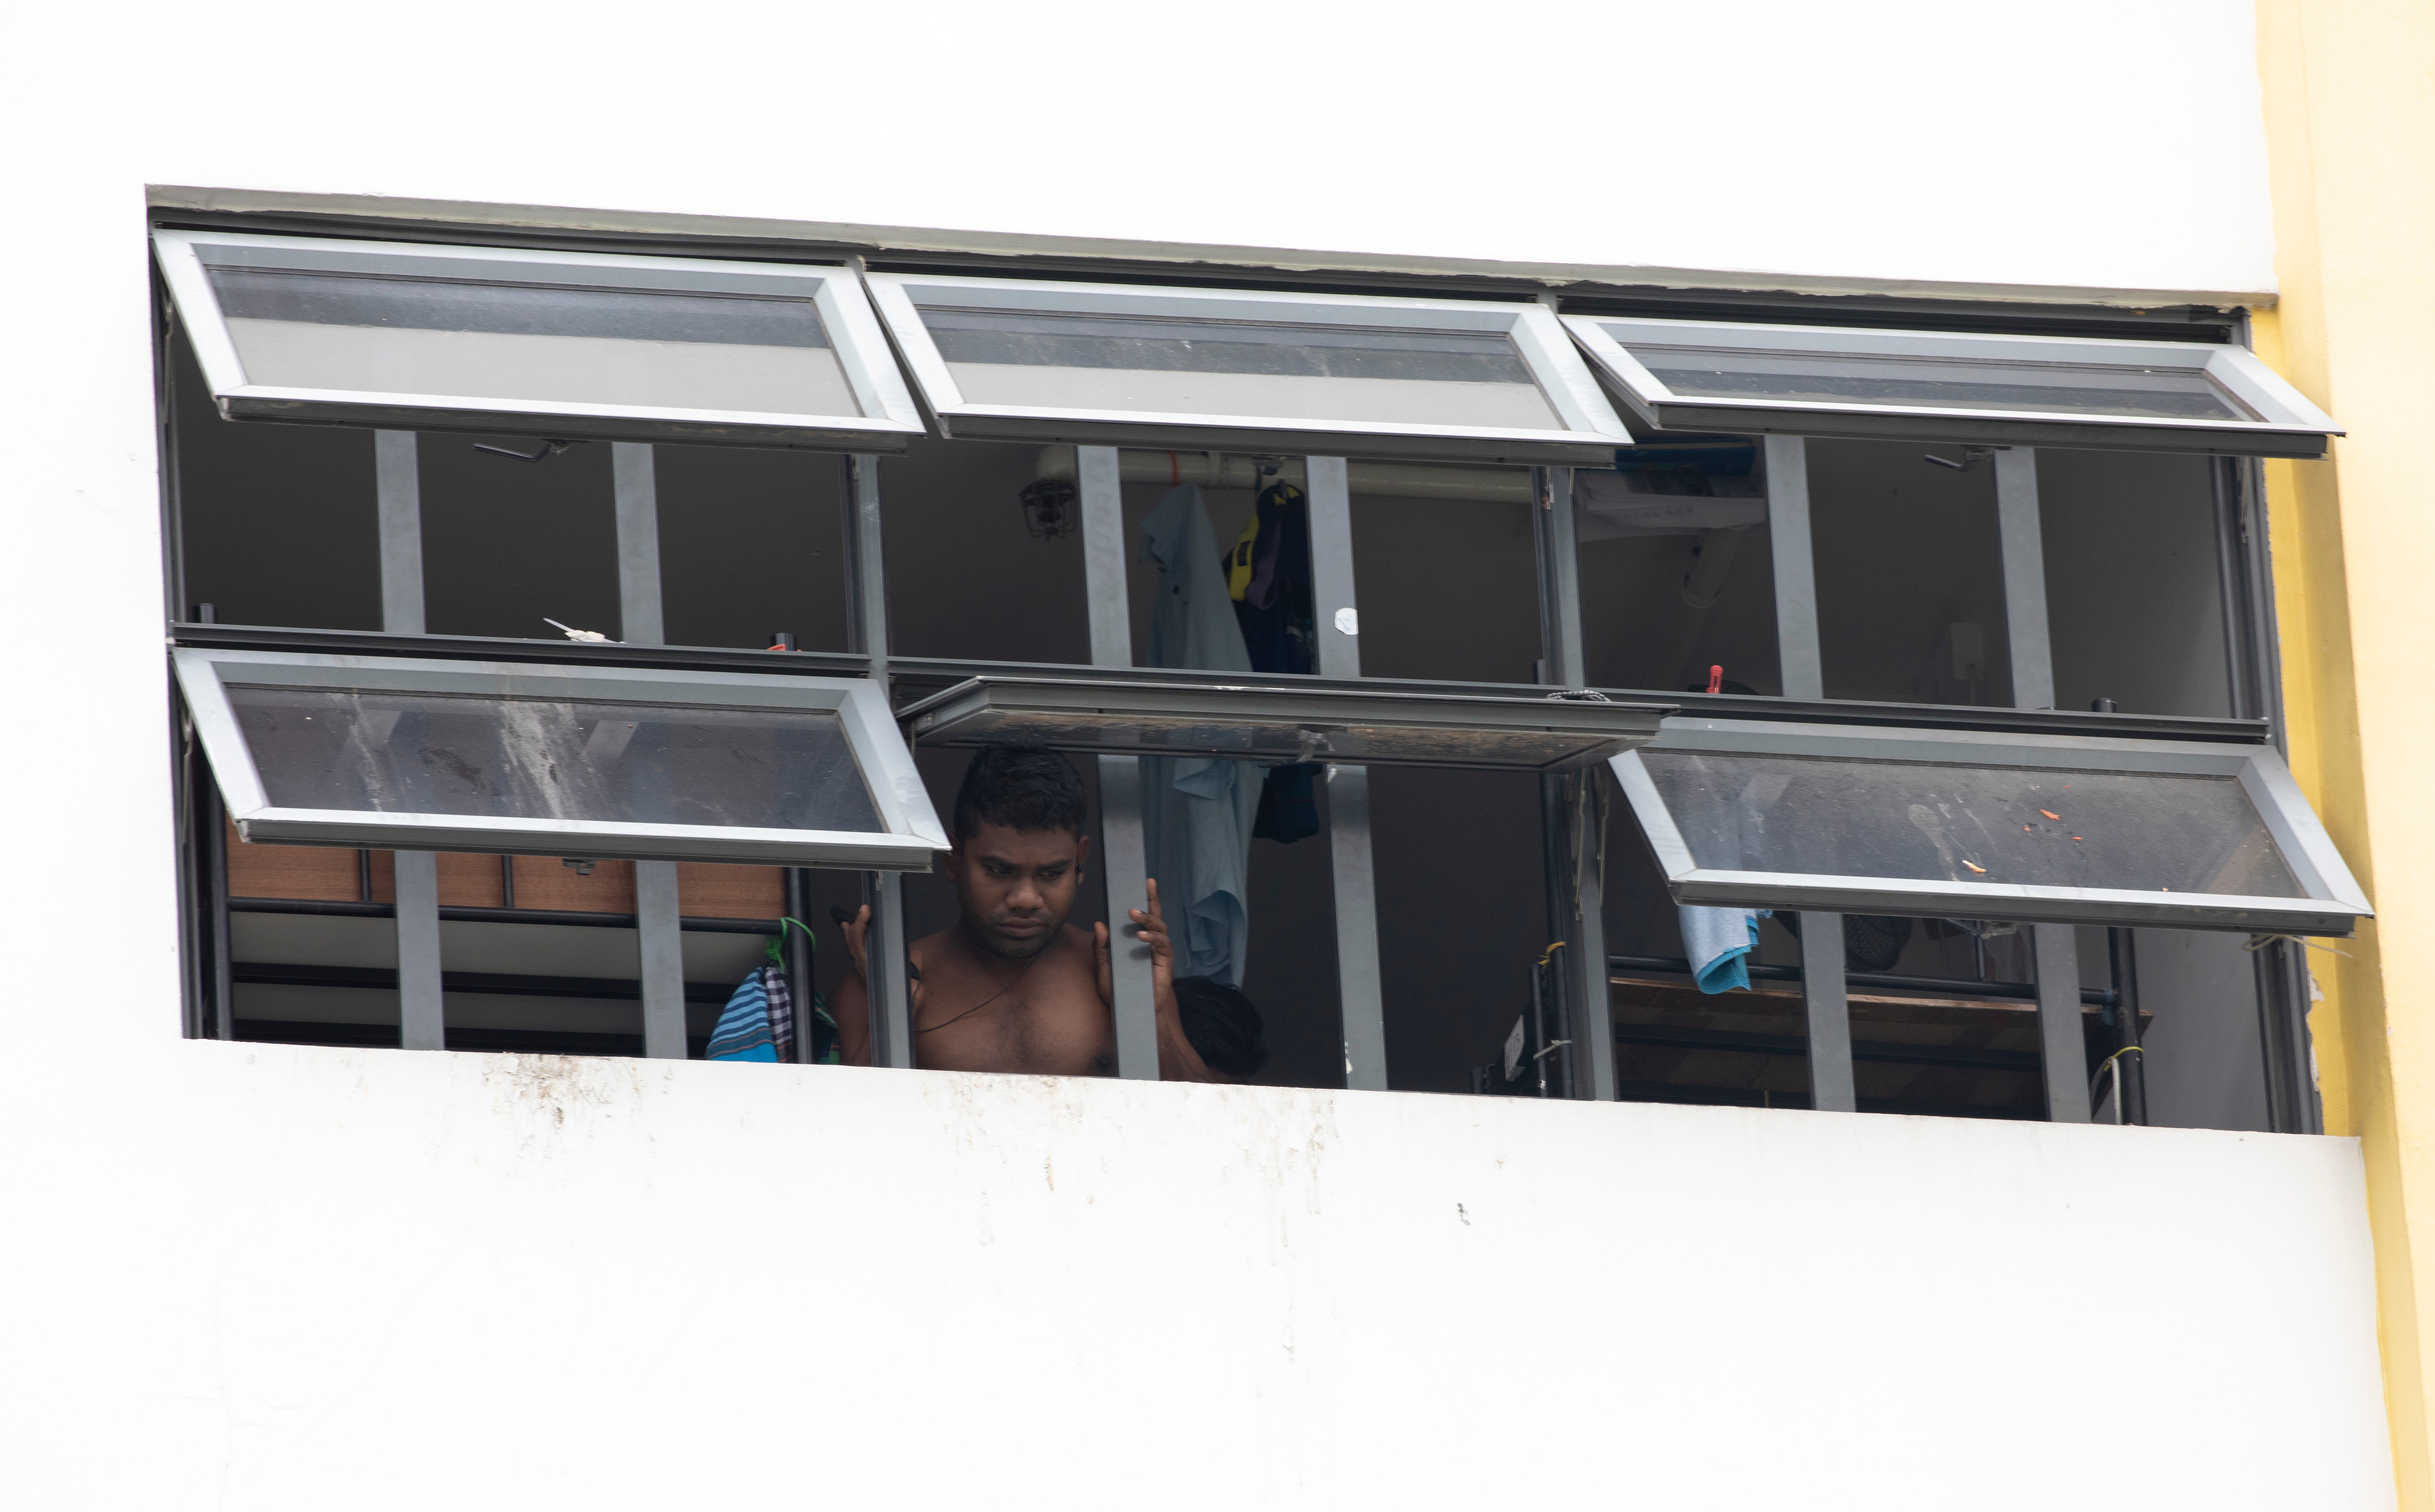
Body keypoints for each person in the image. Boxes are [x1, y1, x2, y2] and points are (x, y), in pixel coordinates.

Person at [831, 746, 1230, 1081]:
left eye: (1051, 873)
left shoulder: (1120, 973)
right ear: (954, 860)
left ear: (1081, 859)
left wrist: (1147, 1011)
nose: (1025, 898)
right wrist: (893, 1014)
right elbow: (844, 1135)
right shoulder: (892, 983)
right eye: (999, 871)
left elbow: (1203, 1122)